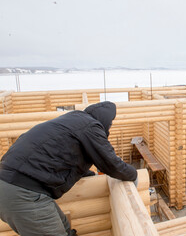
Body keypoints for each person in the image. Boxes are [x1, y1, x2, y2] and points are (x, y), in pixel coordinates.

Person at [0, 101, 138, 236]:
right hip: (23, 192)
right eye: (110, 123)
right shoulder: (91, 126)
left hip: (12, 185)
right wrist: (134, 175)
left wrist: (90, 175)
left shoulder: (73, 120)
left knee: (65, 228)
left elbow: (63, 157)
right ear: (106, 120)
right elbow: (111, 163)